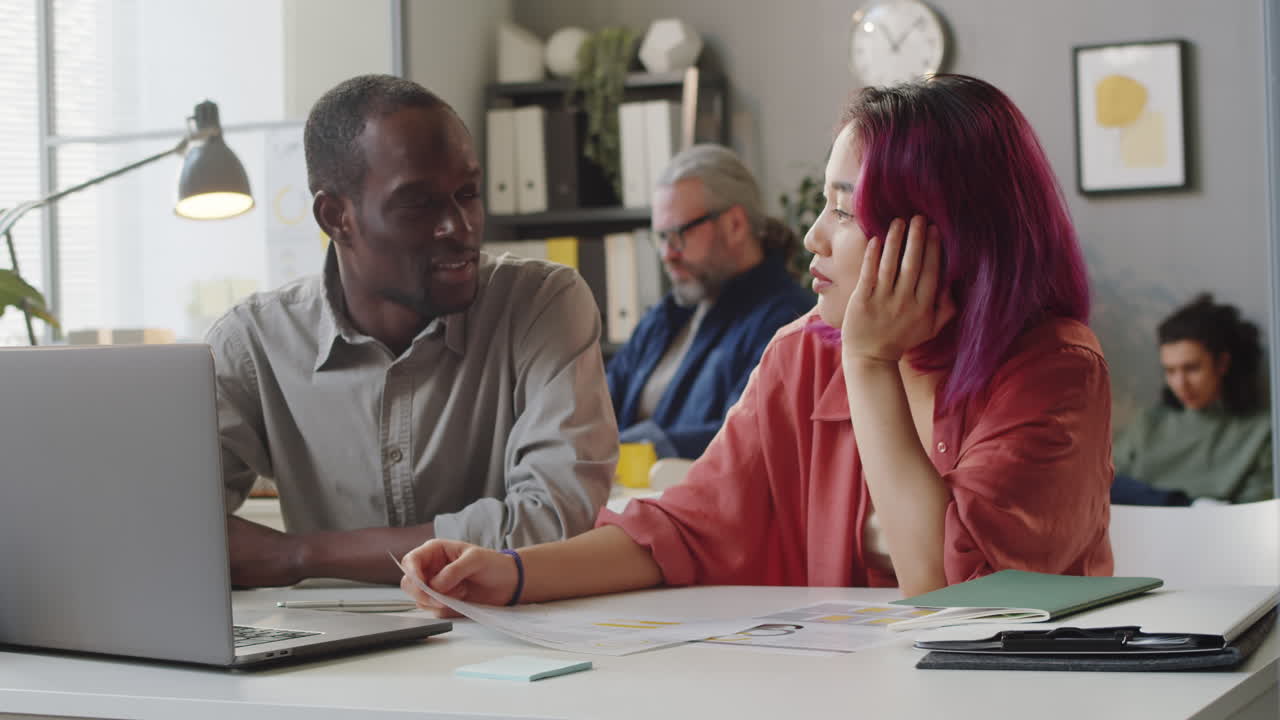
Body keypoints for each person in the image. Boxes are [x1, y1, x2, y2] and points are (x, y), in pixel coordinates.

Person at [398, 74, 1113, 610]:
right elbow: (682, 528)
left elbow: (954, 596)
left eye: (843, 210)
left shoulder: (1054, 370)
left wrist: (869, 362)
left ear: (936, 235)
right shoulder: (804, 353)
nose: (812, 237)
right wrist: (512, 572)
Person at [209, 74, 617, 587]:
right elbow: (170, 523)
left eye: (468, 192)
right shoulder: (253, 343)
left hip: (505, 645)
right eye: (419, 204)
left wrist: (297, 556)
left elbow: (555, 525)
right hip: (325, 652)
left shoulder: (542, 305)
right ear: (337, 216)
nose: (459, 226)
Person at [607, 144, 814, 459]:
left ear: (735, 225)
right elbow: (600, 403)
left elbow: (750, 438)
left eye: (677, 235)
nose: (667, 255)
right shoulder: (667, 316)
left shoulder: (787, 321)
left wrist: (638, 449)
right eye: (660, 238)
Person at [1112, 294, 1273, 505]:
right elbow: (1102, 484)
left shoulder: (1262, 434)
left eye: (1192, 368)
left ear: (1222, 363)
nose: (1180, 383)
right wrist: (1181, 504)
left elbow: (1254, 519)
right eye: (1170, 371)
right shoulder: (1149, 424)